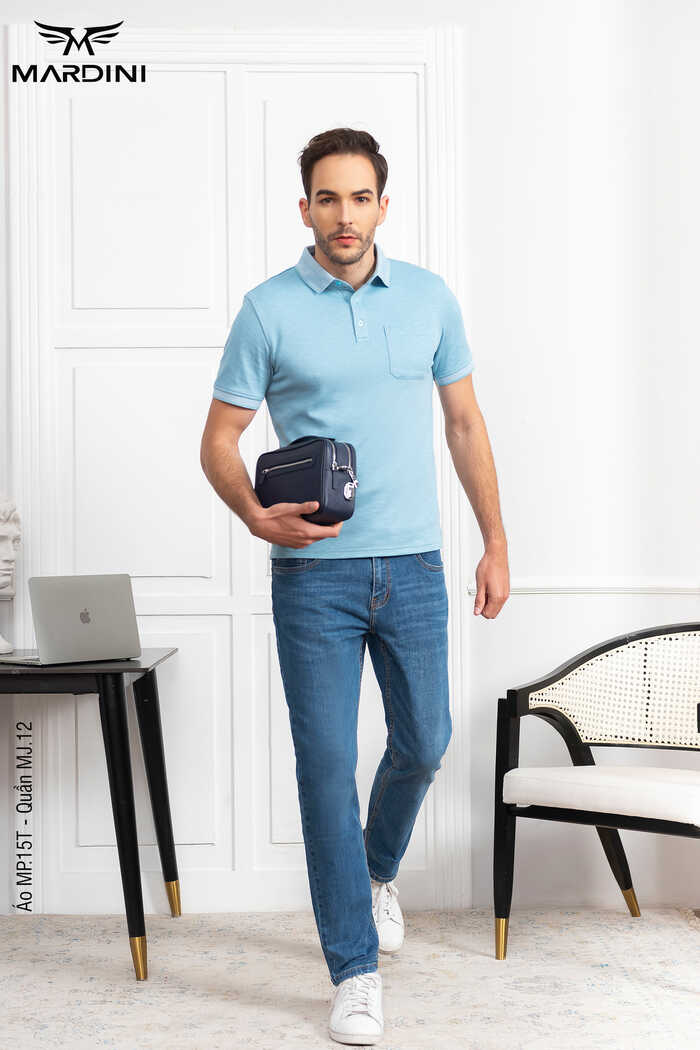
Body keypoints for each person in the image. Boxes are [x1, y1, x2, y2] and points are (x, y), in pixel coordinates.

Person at [200, 127, 510, 1045]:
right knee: (326, 768)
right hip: (312, 578)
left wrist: (495, 541)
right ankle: (354, 971)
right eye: (328, 198)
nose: (345, 215)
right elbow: (219, 440)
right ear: (305, 208)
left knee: (426, 741)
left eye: (360, 197)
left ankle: (377, 872)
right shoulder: (267, 311)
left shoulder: (428, 299)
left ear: (383, 205)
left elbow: (464, 423)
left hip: (415, 566)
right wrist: (255, 516)